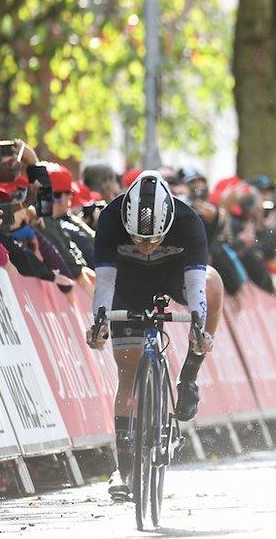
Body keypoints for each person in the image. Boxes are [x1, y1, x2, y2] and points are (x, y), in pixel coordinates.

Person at [84, 171, 224, 501]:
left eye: (154, 239)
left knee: (214, 284)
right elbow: (103, 282)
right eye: (138, 240)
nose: (146, 247)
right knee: (128, 372)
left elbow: (196, 286)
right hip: (128, 284)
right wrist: (100, 322)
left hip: (174, 277)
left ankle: (188, 376)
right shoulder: (110, 218)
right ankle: (125, 468)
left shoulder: (188, 221)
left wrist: (198, 327)